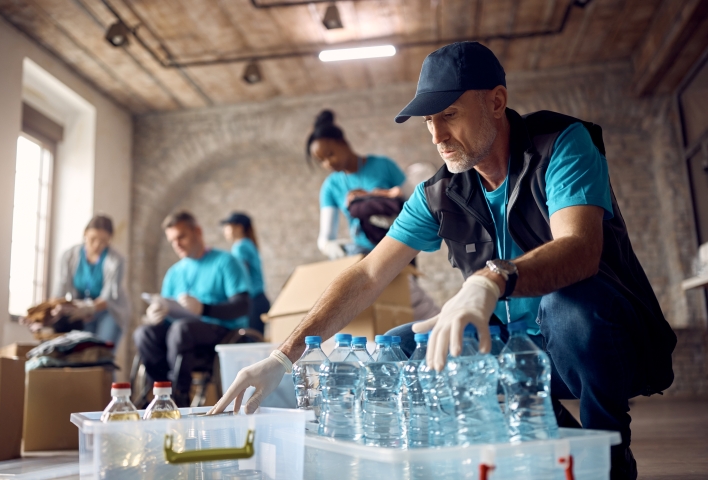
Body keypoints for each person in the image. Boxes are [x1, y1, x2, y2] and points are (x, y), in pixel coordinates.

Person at [209, 42, 677, 479]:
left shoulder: (561, 144)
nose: (437, 135)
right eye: (428, 121)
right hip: (518, 353)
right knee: (400, 344)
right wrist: (282, 356)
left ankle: (608, 449)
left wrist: (489, 280)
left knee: (566, 305)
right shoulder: (440, 193)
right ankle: (556, 443)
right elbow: (369, 273)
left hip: (602, 339)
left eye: (448, 114)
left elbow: (580, 249)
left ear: (496, 101)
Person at [308, 110, 440, 321]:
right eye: (321, 160)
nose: (327, 163)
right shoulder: (331, 187)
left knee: (411, 307)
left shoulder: (383, 166)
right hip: (366, 256)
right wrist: (329, 247)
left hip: (400, 246)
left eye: (330, 154)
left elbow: (412, 201)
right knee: (383, 317)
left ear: (343, 142)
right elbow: (326, 237)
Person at [133, 210, 251, 406]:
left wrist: (204, 309)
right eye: (172, 241)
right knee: (144, 333)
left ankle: (179, 397)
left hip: (222, 333)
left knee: (181, 330)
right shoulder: (173, 273)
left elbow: (243, 306)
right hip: (180, 337)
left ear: (198, 232)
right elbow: (166, 313)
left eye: (181, 237)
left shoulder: (226, 262)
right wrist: (155, 315)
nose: (176, 244)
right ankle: (159, 396)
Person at [52, 215, 130, 346]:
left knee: (102, 351)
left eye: (103, 241)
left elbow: (108, 298)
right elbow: (60, 291)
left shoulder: (116, 261)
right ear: (85, 233)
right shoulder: (68, 256)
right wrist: (47, 314)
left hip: (109, 311)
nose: (97, 245)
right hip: (82, 313)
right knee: (83, 350)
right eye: (93, 239)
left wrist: (89, 308)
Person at [220, 212, 270, 335]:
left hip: (254, 301)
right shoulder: (248, 244)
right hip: (260, 299)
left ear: (239, 227)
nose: (225, 230)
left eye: (228, 226)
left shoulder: (240, 247)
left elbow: (240, 275)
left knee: (252, 343)